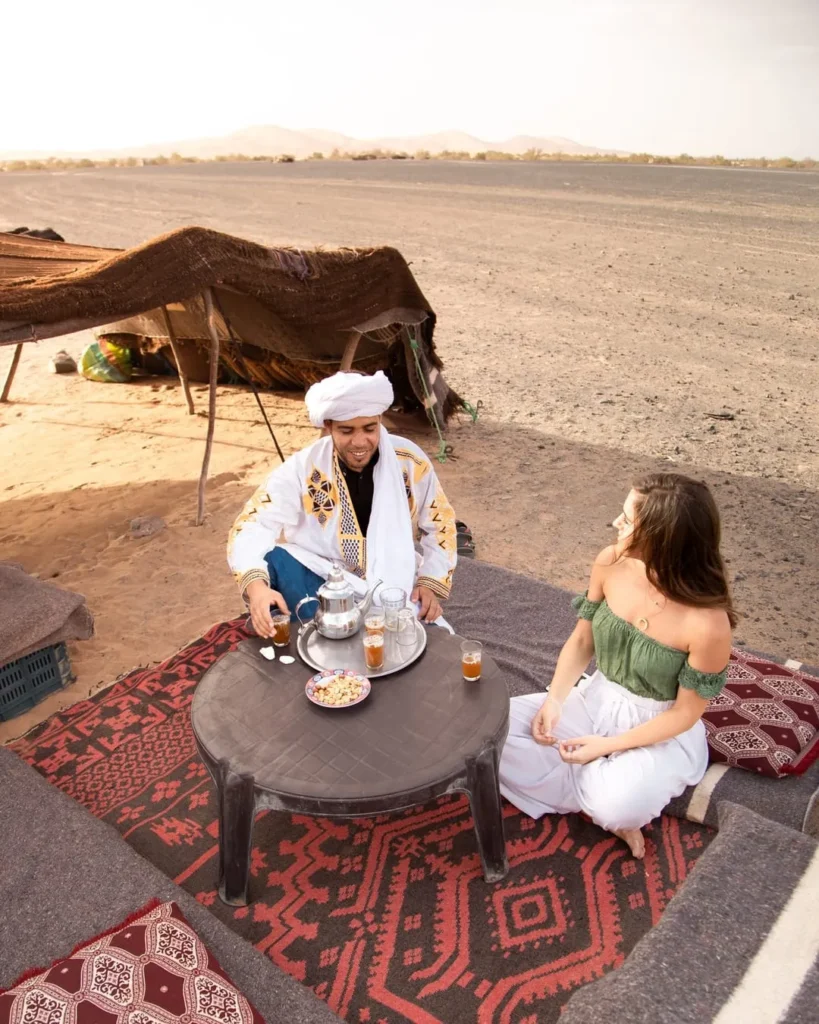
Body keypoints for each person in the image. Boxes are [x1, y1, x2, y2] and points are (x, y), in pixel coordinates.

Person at [499, 473, 734, 859]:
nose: (615, 524)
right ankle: (592, 787)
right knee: (490, 730)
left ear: (662, 537)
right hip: (597, 697)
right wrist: (555, 700)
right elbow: (581, 641)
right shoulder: (610, 561)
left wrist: (606, 747)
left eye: (627, 520)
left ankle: (601, 800)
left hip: (660, 729)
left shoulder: (708, 624)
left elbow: (687, 713)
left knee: (619, 805)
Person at [227, 370, 457, 638]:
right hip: (325, 578)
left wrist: (429, 583)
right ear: (329, 426)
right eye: (347, 431)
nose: (360, 442)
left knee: (423, 636)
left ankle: (327, 629)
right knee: (274, 560)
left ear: (380, 420)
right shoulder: (302, 468)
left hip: (393, 581)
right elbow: (253, 523)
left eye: (370, 429)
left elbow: (440, 523)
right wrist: (256, 587)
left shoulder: (410, 461)